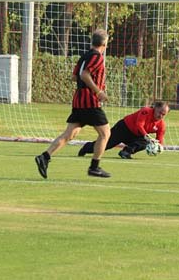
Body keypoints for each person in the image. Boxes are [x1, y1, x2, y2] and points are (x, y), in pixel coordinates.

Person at [35, 29, 111, 178]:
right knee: (105, 133)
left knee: (69, 134)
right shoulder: (97, 57)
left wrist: (95, 82)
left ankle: (44, 157)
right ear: (104, 44)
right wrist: (98, 91)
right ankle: (94, 167)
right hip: (89, 101)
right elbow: (84, 75)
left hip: (79, 100)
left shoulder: (85, 56)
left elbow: (74, 77)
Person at [78, 101, 170, 159]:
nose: (160, 116)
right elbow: (139, 125)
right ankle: (86, 147)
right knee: (106, 145)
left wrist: (159, 147)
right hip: (123, 128)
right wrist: (147, 136)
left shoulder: (161, 125)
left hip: (135, 135)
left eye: (163, 114)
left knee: (145, 143)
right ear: (155, 108)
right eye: (160, 112)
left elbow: (159, 139)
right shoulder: (146, 111)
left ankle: (126, 152)